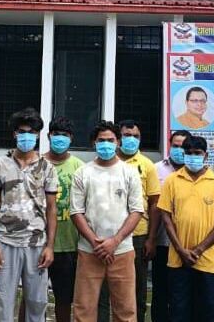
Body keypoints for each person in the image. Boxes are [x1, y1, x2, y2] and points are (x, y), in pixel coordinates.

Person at [0, 107, 58, 322]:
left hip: (37, 245)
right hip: (6, 243)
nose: (26, 136)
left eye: (31, 132)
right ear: (14, 134)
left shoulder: (47, 167)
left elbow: (51, 208)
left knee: (37, 303)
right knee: (3, 303)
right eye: (22, 132)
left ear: (37, 135)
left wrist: (50, 246)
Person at [70, 120, 144, 322]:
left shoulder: (129, 172)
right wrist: (96, 243)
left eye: (110, 140)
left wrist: (115, 241)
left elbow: (136, 211)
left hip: (122, 250)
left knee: (126, 311)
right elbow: (76, 212)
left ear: (118, 142)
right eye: (101, 140)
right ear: (94, 143)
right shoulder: (83, 173)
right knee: (83, 310)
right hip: (89, 250)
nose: (106, 144)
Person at [158, 135, 214, 322]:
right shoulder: (172, 180)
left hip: (206, 260)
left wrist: (198, 250)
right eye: (189, 153)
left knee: (207, 312)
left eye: (197, 153)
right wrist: (180, 250)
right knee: (178, 311)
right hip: (178, 260)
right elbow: (166, 217)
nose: (193, 157)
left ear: (205, 155)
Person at [97, 119, 159, 322]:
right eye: (127, 135)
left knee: (136, 289)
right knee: (103, 290)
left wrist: (151, 239)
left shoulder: (147, 165)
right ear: (118, 138)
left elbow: (154, 203)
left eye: (136, 136)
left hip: (137, 235)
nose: (131, 139)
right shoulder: (105, 163)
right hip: (106, 235)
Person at [44, 116, 84, 322]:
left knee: (64, 299)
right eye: (56, 134)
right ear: (49, 136)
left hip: (69, 243)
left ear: (71, 138)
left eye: (65, 135)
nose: (60, 138)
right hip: (38, 243)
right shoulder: (38, 164)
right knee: (32, 297)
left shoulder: (80, 167)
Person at [151, 130, 191, 322]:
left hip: (187, 245)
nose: (179, 150)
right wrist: (151, 239)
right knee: (160, 291)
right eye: (175, 146)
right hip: (162, 241)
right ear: (169, 145)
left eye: (183, 147)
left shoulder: (196, 172)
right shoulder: (156, 169)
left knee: (183, 293)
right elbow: (152, 205)